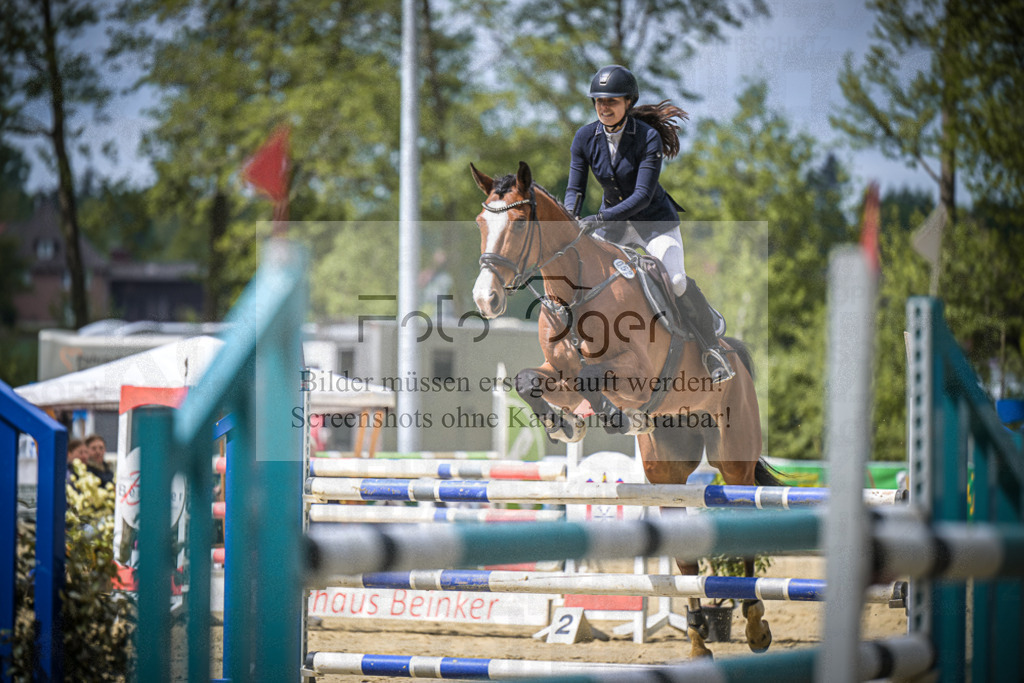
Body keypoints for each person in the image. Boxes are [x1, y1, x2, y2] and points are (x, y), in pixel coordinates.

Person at [564, 64, 734, 383]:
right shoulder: (585, 137)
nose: (604, 107)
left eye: (612, 101)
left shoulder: (648, 137)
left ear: (628, 102)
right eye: (599, 101)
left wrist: (597, 218)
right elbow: (575, 188)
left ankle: (712, 349)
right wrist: (569, 218)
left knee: (677, 280)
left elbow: (642, 195)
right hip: (613, 225)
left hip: (653, 221)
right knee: (583, 277)